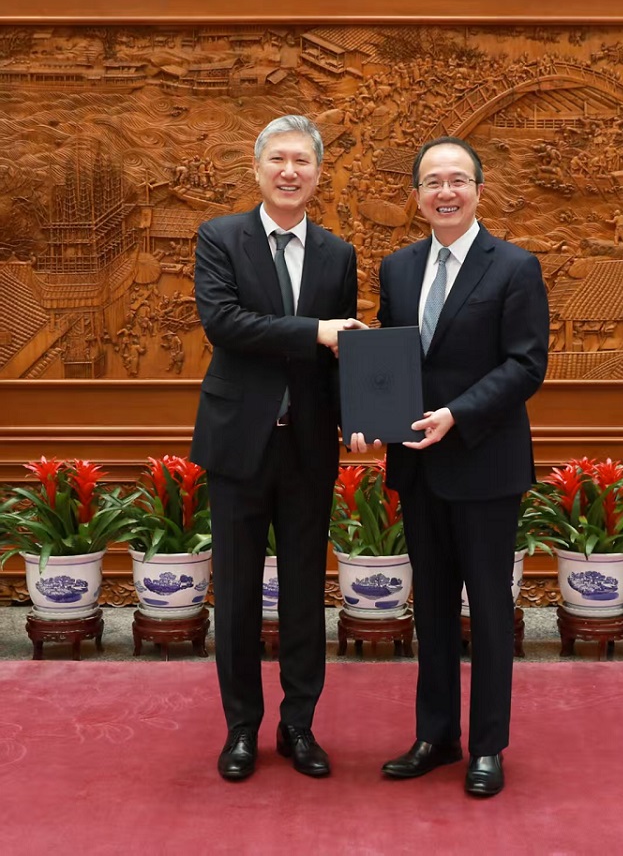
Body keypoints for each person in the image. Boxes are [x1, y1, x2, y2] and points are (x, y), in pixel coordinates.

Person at [351, 136, 548, 796]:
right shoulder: (398, 268)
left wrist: (457, 414)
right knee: (431, 608)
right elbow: (390, 359)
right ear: (416, 197)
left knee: (488, 609)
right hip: (419, 467)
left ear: (478, 191)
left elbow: (526, 364)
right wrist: (369, 419)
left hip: (485, 463)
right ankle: (436, 736)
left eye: (457, 180)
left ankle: (487, 746)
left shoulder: (514, 267)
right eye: (432, 182)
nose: (445, 191)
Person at [190, 115, 359, 782]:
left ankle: (299, 725)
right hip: (239, 441)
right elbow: (224, 323)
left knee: (303, 592)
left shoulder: (337, 254)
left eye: (302, 161)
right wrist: (314, 330)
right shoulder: (220, 237)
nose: (290, 172)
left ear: (318, 174)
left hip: (309, 446)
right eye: (278, 160)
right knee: (235, 593)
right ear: (257, 170)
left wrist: (358, 417)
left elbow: (342, 354)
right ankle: (241, 728)